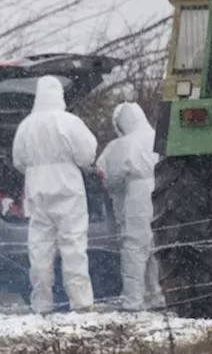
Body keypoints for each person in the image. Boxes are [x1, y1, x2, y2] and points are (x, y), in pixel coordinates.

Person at [12, 76, 99, 314]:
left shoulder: (26, 125)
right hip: (68, 188)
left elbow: (18, 160)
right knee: (73, 246)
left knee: (39, 249)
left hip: (37, 190)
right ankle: (80, 303)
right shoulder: (69, 122)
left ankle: (42, 303)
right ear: (59, 94)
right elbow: (87, 154)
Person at [96, 102, 165, 312]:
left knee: (134, 246)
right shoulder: (160, 137)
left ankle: (133, 300)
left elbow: (110, 178)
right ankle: (157, 294)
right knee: (157, 247)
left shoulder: (121, 145)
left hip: (137, 195)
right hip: (163, 190)